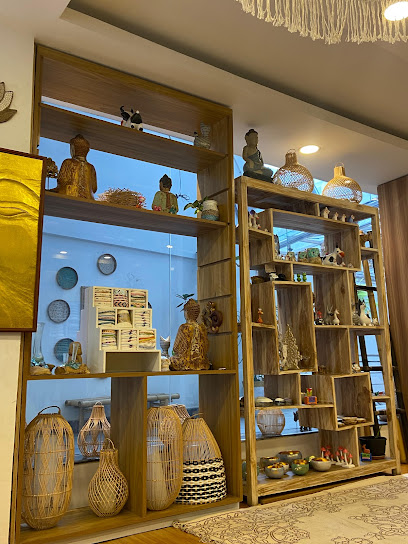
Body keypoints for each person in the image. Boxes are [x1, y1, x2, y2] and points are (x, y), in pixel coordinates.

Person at [170, 299, 211, 371]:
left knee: (172, 360)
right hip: (201, 362)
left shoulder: (184, 327)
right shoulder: (202, 328)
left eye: (185, 311)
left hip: (186, 362)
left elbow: (176, 348)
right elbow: (206, 347)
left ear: (187, 312)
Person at [52, 134, 97, 199]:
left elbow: (62, 181)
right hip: (89, 197)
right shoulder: (91, 167)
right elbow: (94, 188)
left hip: (68, 195)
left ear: (73, 149)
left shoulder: (68, 162)